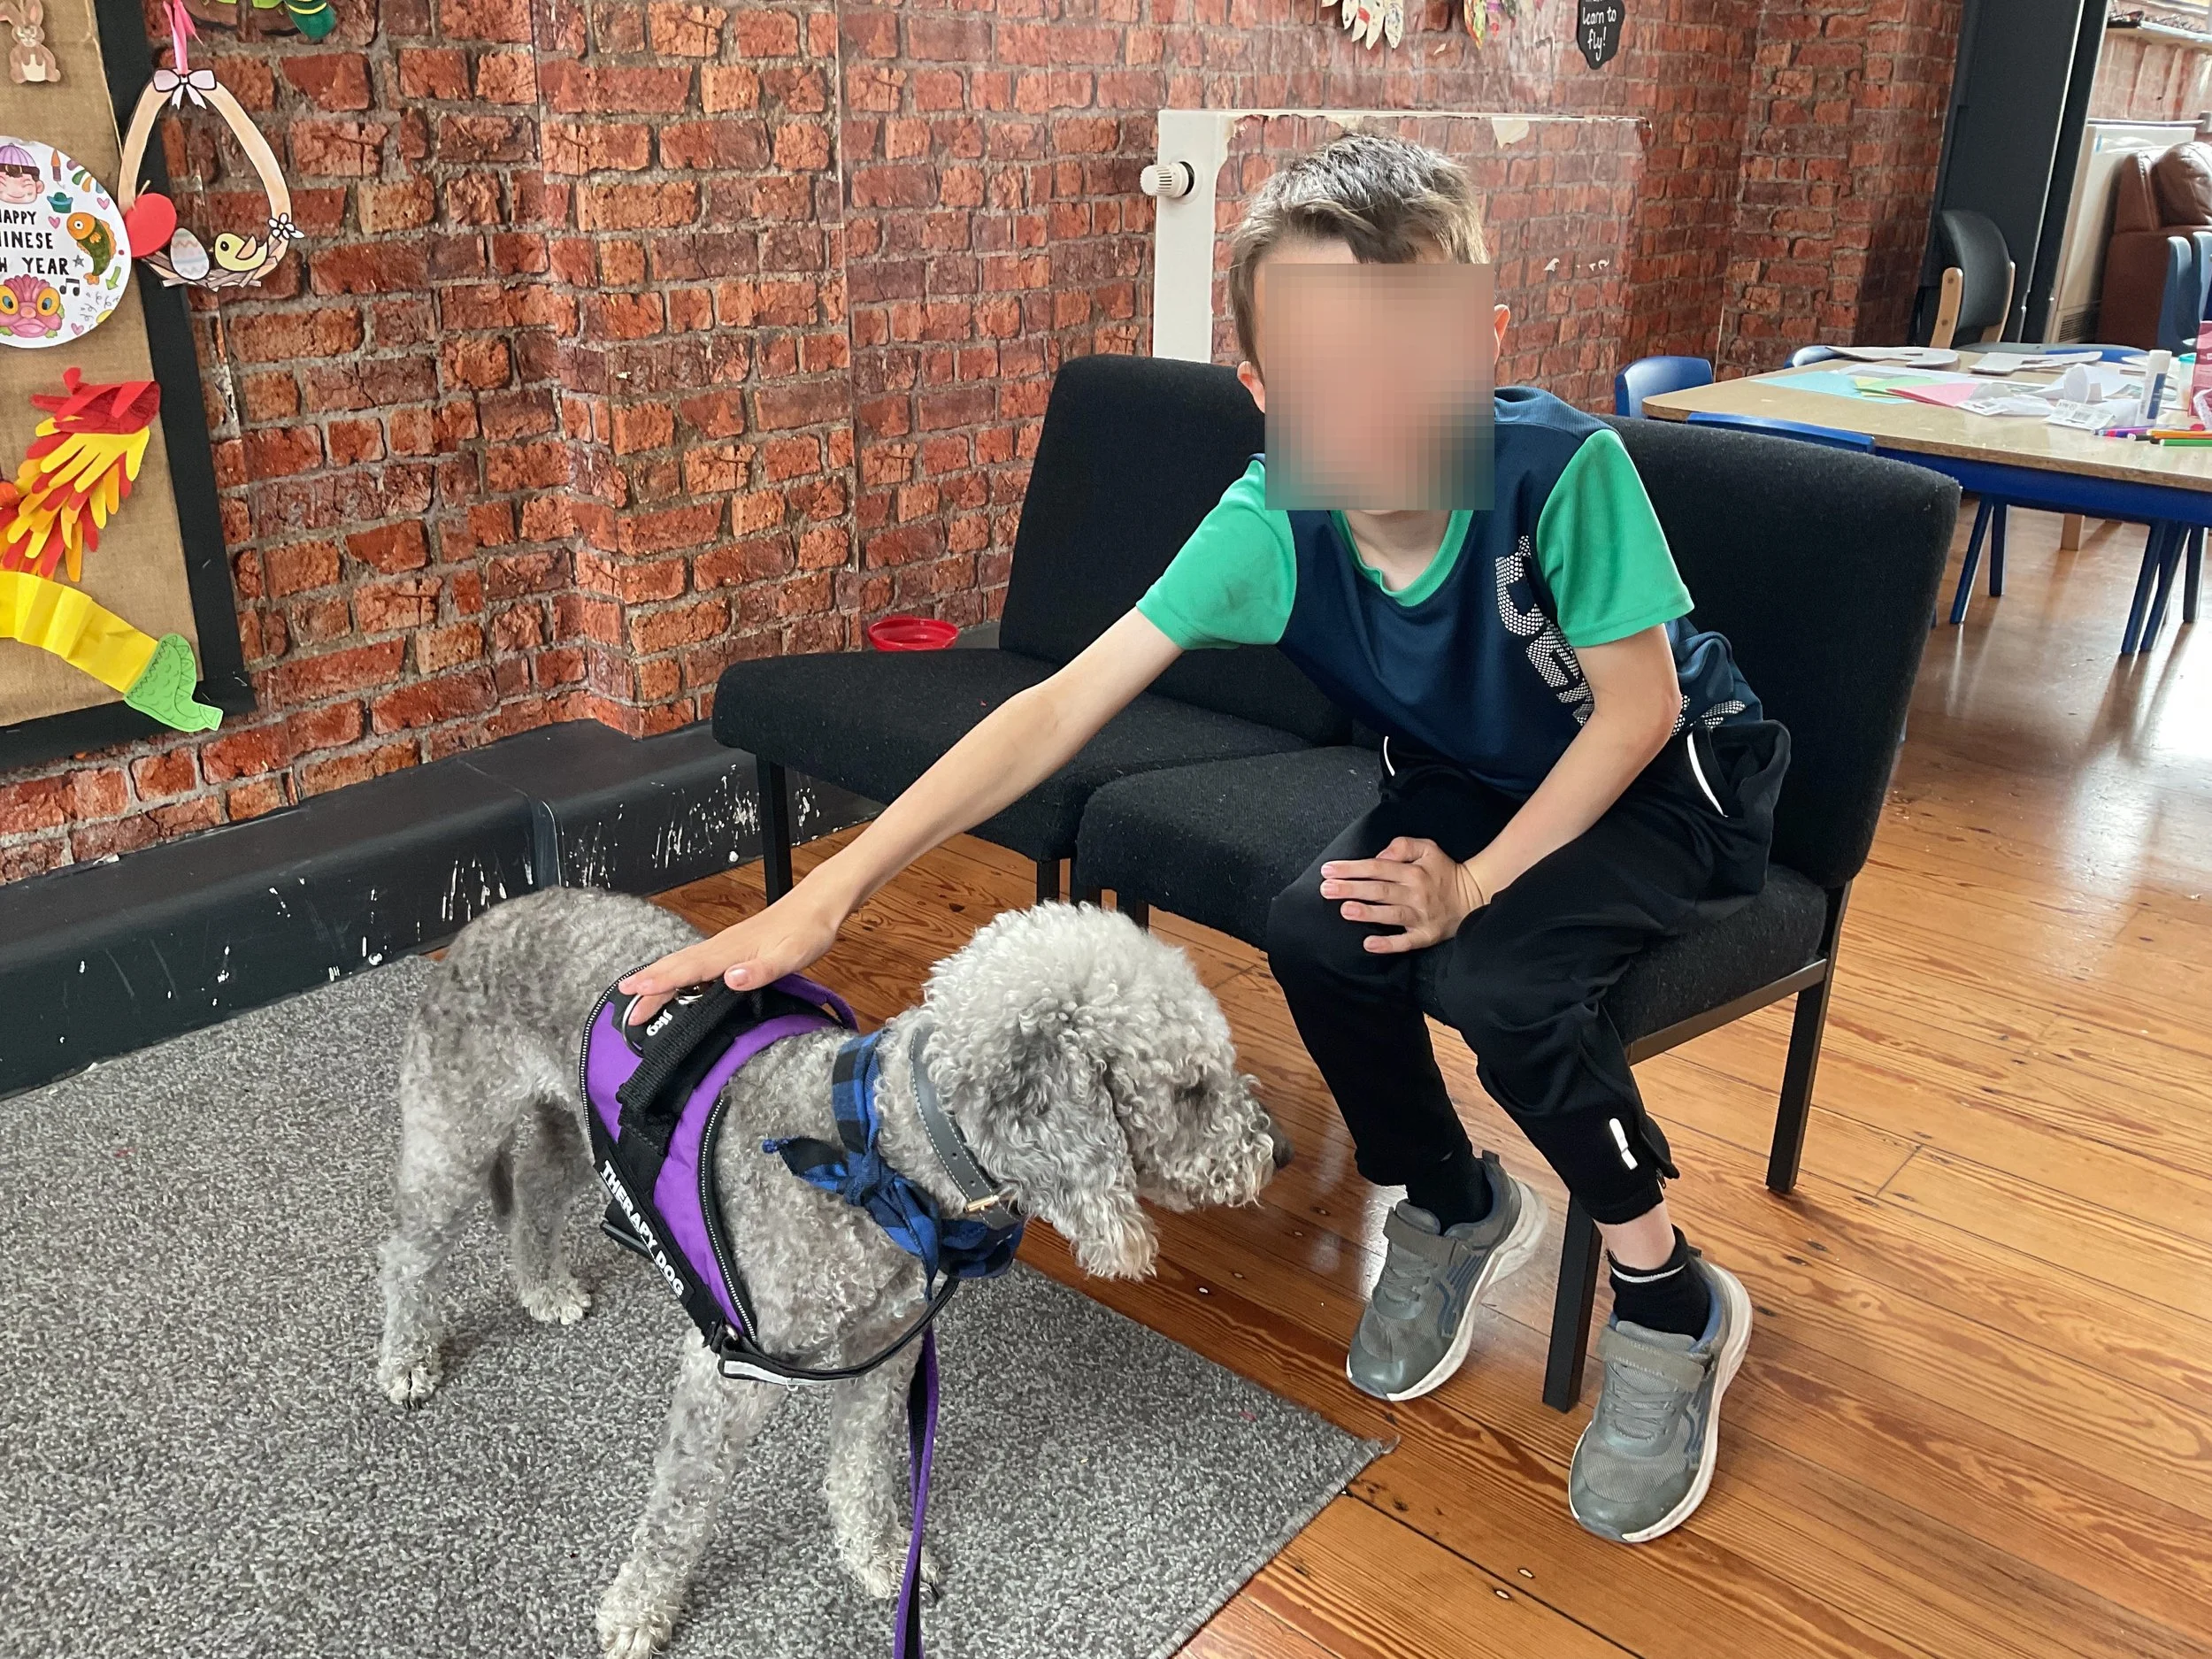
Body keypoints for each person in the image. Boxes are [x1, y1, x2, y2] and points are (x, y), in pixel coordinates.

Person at [620, 133, 1788, 1544]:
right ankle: (1455, 1200)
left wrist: (1473, 882)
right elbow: (1052, 710)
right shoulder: (1269, 522)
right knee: (1314, 920)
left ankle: (1669, 1295)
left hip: (1668, 775)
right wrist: (834, 893)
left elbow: (1631, 715)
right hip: (1471, 774)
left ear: (1484, 343)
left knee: (1498, 980)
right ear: (1265, 394)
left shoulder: (1566, 472)